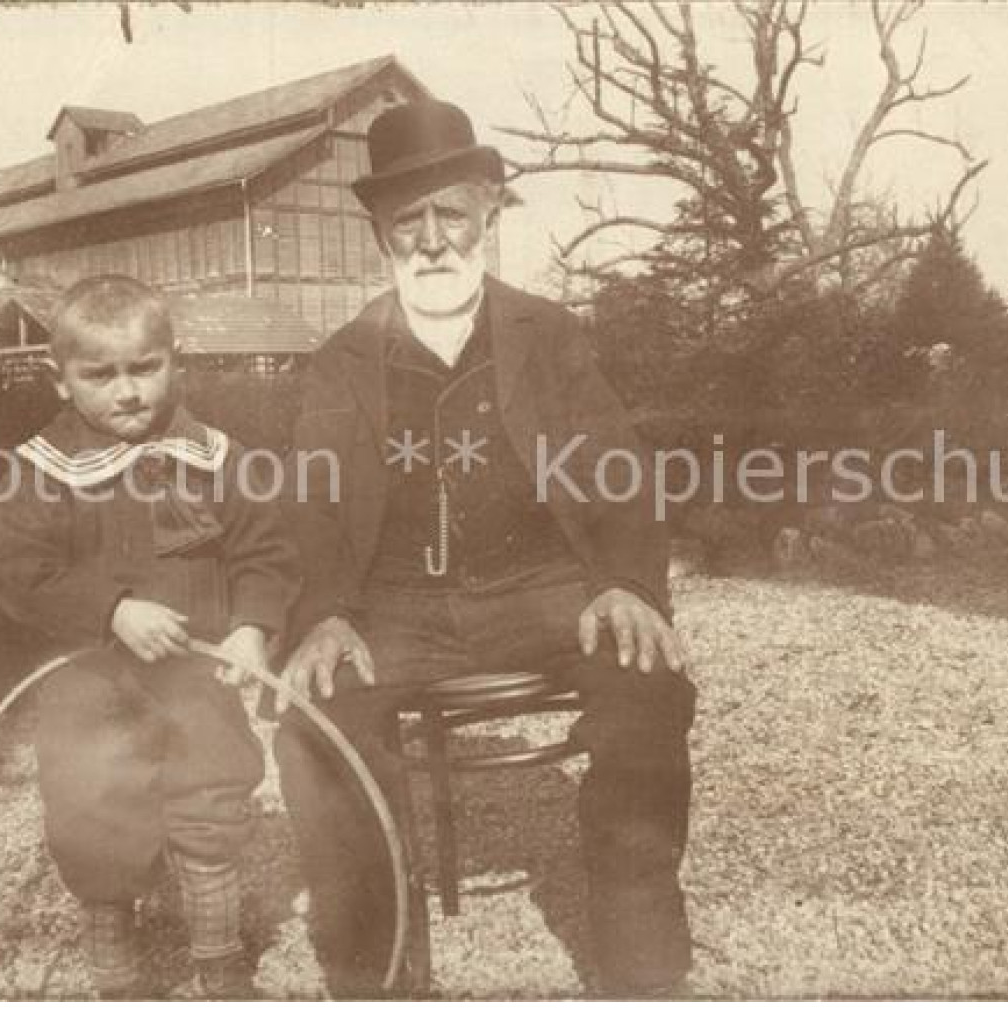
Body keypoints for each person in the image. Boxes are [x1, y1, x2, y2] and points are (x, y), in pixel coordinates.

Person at [274, 100, 697, 998]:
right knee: (318, 724)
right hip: (393, 607)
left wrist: (621, 581)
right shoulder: (342, 360)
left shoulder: (549, 333)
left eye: (450, 215)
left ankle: (645, 973)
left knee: (648, 686)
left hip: (541, 588)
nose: (431, 241)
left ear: (488, 213)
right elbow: (308, 507)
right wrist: (323, 616)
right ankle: (381, 981)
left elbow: (620, 469)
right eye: (407, 222)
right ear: (379, 233)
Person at [0, 275, 299, 998]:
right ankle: (116, 979)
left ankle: (220, 964)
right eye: (99, 375)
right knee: (92, 814)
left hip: (197, 681)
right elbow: (19, 573)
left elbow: (265, 552)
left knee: (211, 800)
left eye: (143, 368)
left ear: (175, 360)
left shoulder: (220, 457)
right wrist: (111, 610)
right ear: (60, 381)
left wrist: (253, 628)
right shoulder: (40, 471)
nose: (126, 392)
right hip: (88, 684)